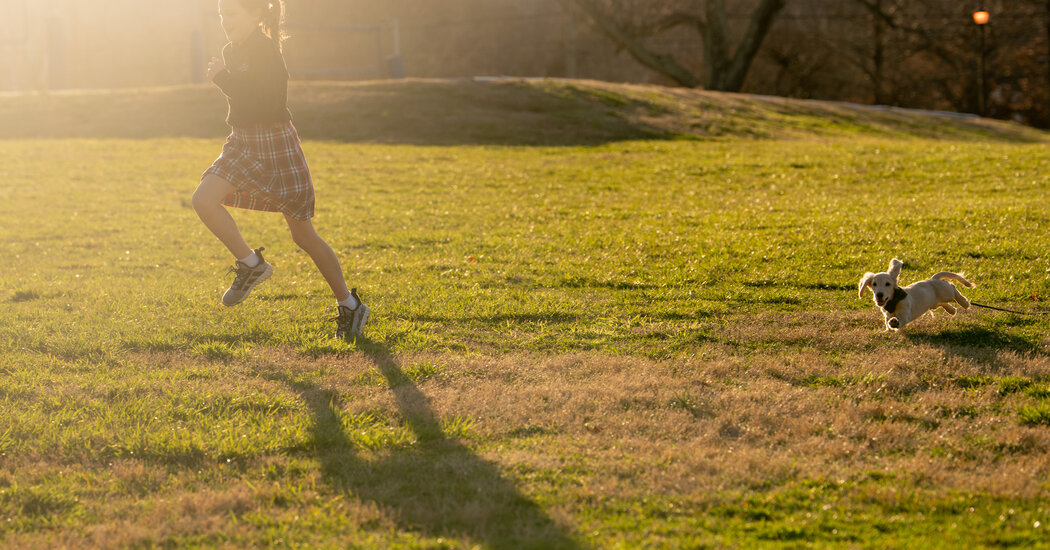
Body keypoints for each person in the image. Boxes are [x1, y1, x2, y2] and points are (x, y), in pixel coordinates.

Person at [192, 0, 368, 338]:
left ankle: (349, 305)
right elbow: (243, 102)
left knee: (303, 235)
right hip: (242, 142)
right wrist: (226, 77)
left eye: (231, 14)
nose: (224, 21)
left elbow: (267, 103)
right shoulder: (232, 51)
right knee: (203, 199)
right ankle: (251, 265)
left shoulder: (267, 51)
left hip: (276, 144)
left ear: (257, 14)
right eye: (220, 15)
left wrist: (223, 79)